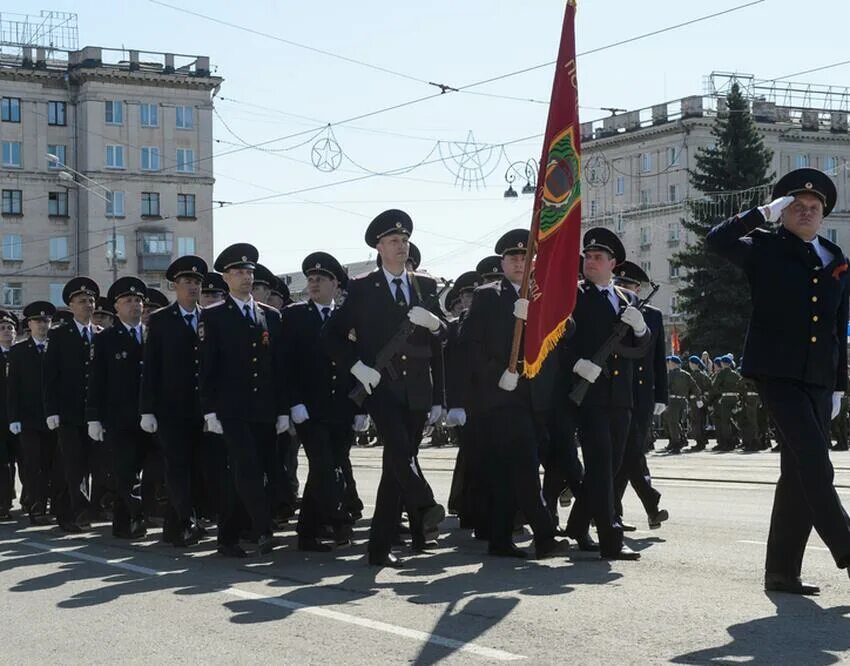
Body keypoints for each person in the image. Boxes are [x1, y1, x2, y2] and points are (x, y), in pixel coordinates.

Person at [706, 166, 850, 594]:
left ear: (824, 214)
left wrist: (840, 384)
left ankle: (782, 571)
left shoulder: (837, 258)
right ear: (783, 211)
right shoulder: (763, 246)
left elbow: (840, 324)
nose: (806, 212)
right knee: (814, 462)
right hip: (777, 372)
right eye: (796, 206)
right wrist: (759, 213)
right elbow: (716, 241)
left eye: (813, 207)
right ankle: (846, 546)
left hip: (820, 378)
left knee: (796, 473)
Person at [322, 209, 446, 568]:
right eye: (394, 241)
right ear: (379, 246)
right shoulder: (363, 287)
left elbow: (443, 343)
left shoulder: (426, 285)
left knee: (396, 466)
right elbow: (330, 336)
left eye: (405, 240)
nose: (401, 246)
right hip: (381, 388)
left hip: (418, 388)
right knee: (399, 451)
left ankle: (380, 547)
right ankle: (423, 505)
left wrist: (437, 324)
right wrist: (357, 366)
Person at [561, 228, 651, 560]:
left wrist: (641, 329)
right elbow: (558, 341)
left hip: (621, 396)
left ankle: (578, 524)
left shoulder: (626, 299)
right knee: (600, 465)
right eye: (588, 257)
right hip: (590, 396)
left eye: (599, 257)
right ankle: (611, 537)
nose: (591, 261)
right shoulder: (574, 296)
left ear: (613, 263)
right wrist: (576, 364)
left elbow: (640, 350)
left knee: (613, 468)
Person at [200, 243, 289, 555]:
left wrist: (282, 410)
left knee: (263, 470)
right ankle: (263, 528)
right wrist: (210, 410)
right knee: (245, 467)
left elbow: (278, 367)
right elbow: (207, 367)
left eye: (249, 271)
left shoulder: (271, 316)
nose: (246, 277)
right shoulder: (213, 317)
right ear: (225, 277)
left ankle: (230, 536)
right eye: (238, 272)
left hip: (264, 408)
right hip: (232, 409)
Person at [282, 251, 359, 551]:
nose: (314, 283)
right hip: (309, 409)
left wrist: (359, 408)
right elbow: (285, 362)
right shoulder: (295, 315)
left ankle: (310, 531)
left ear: (336, 285)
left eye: (321, 279)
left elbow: (356, 361)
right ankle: (336, 521)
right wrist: (293, 403)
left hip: (341, 407)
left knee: (332, 466)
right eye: (311, 279)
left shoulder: (347, 317)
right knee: (323, 465)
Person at [140, 256, 209, 547]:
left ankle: (176, 524)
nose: (192, 287)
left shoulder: (211, 317)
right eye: (186, 282)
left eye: (196, 282)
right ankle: (184, 523)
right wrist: (147, 409)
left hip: (203, 408)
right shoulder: (160, 320)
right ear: (174, 286)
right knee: (177, 467)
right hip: (170, 410)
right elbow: (151, 368)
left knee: (197, 468)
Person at [87, 276, 154, 539]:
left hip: (150, 415)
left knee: (153, 469)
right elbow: (97, 380)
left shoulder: (153, 334)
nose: (135, 305)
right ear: (116, 307)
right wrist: (94, 417)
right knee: (125, 472)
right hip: (119, 418)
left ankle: (130, 518)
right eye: (128, 301)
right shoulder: (106, 339)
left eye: (139, 300)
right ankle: (132, 518)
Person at [611, 261, 669, 530]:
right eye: (619, 284)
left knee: (631, 451)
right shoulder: (611, 309)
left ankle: (612, 513)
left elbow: (659, 358)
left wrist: (662, 396)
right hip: (616, 391)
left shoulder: (654, 316)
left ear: (638, 289)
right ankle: (649, 503)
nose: (624, 289)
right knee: (628, 451)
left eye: (629, 285)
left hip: (644, 394)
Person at [44, 277, 102, 532]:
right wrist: (52, 410)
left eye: (91, 300)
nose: (88, 305)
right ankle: (72, 513)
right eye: (82, 301)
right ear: (70, 306)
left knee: (90, 463)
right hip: (67, 411)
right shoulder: (59, 335)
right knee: (72, 464)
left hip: (93, 412)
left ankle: (80, 509)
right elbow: (50, 376)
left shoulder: (101, 335)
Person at [7, 302, 59, 525]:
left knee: (50, 464)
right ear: (29, 324)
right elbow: (13, 388)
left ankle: (48, 503)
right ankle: (36, 507)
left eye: (46, 321)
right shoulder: (19, 351)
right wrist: (14, 417)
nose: (43, 325)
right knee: (32, 464)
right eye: (38, 321)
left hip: (53, 417)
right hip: (28, 419)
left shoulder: (57, 347)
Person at [0, 310, 18, 517]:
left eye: (10, 328)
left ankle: (25, 497)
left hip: (19, 416)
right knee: (3, 461)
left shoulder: (21, 354)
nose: (7, 331)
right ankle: (3, 502)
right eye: (3, 328)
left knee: (23, 460)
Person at [663, 356, 700, 454]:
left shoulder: (671, 374)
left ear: (673, 363)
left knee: (672, 423)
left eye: (670, 362)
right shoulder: (686, 374)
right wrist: (698, 399)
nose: (669, 364)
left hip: (673, 401)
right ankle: (681, 439)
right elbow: (695, 387)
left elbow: (665, 387)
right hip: (683, 401)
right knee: (676, 422)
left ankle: (676, 443)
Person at [687, 356, 712, 451]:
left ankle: (700, 442)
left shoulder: (692, 375)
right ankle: (702, 441)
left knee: (696, 422)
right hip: (702, 401)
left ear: (694, 364)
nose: (690, 365)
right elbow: (709, 388)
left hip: (694, 401)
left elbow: (689, 389)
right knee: (700, 422)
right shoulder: (704, 375)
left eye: (690, 363)